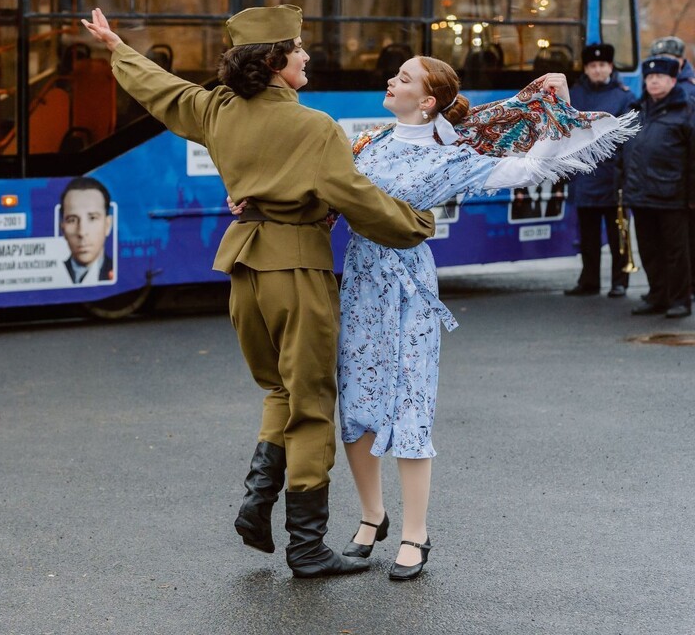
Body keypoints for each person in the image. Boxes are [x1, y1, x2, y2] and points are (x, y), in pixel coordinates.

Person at [234, 58, 635, 580]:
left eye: (402, 78)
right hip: (357, 284)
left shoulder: (453, 156)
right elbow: (317, 192)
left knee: (409, 408)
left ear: (426, 101)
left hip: (410, 292)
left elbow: (527, 168)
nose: (390, 81)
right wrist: (256, 199)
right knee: (355, 409)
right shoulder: (368, 144)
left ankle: (415, 534)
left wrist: (557, 110)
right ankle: (371, 516)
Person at [82, 5, 436, 579]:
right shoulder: (313, 126)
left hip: (243, 268)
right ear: (274, 61)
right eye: (296, 48)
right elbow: (359, 200)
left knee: (278, 389)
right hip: (296, 271)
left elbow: (162, 90)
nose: (305, 55)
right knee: (313, 403)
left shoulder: (217, 110)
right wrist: (417, 224)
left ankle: (256, 503)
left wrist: (117, 48)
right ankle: (306, 546)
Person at [623, 55, 695, 318]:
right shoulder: (638, 109)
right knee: (649, 250)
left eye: (660, 78)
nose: (654, 82)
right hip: (641, 194)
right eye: (650, 78)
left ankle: (679, 300)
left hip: (672, 195)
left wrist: (691, 196)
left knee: (676, 252)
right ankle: (657, 295)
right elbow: (626, 152)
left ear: (673, 81)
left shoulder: (686, 111)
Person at [564, 43, 637, 297]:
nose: (598, 70)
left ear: (610, 67)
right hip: (584, 174)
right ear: (586, 68)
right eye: (593, 66)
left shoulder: (624, 96)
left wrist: (624, 172)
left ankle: (620, 281)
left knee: (618, 232)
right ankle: (589, 280)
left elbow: (628, 139)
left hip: (612, 175)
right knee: (587, 234)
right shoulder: (574, 94)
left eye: (602, 65)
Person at [60, 176, 114, 284]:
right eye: (72, 220)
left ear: (107, 225)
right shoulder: (57, 270)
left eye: (92, 218)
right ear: (62, 228)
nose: (82, 232)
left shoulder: (118, 270)